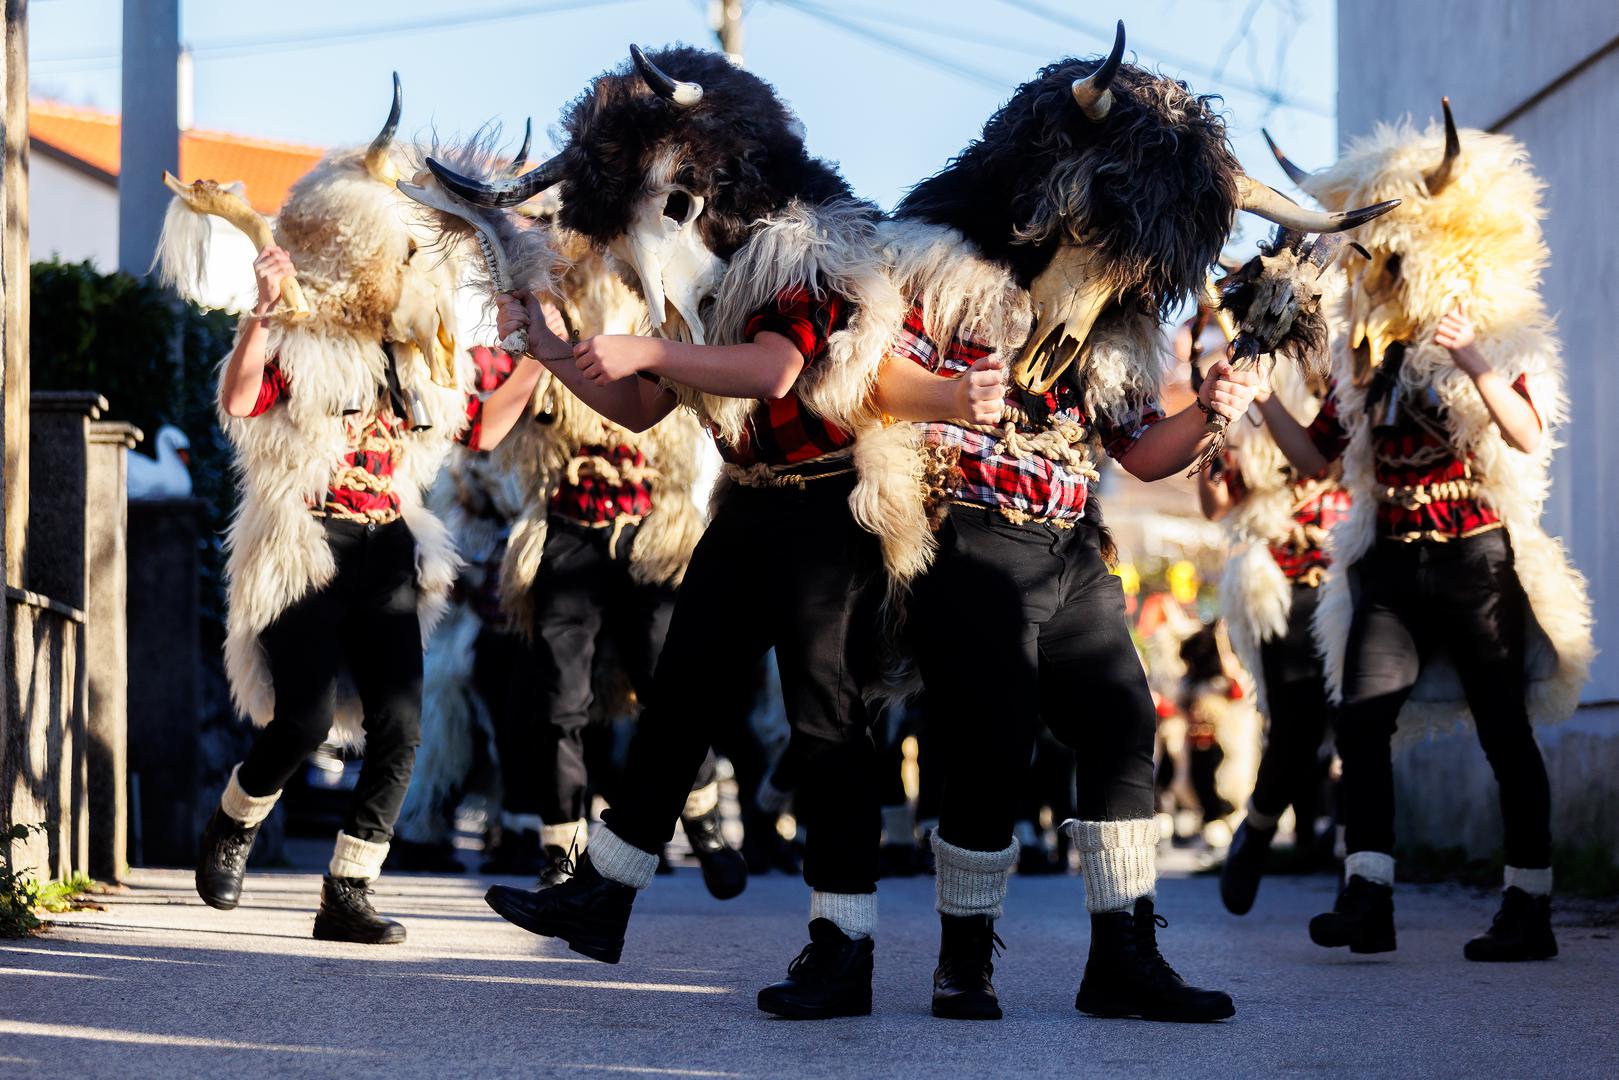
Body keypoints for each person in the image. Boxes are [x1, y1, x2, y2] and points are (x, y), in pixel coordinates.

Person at [425, 45, 1003, 1018]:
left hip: (827, 510)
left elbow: (775, 370)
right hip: (748, 502)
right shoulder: (699, 276)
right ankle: (602, 896)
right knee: (679, 700)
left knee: (826, 725)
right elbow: (643, 407)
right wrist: (555, 351)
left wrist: (646, 344)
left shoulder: (803, 244)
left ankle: (843, 950)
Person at [878, 21, 1393, 1022]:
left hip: (1071, 543)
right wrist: (947, 399)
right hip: (967, 535)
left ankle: (1121, 959)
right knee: (991, 742)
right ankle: (962, 964)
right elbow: (866, 384)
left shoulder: (1116, 326)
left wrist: (1215, 409)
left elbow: (1143, 454)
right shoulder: (936, 273)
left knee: (1120, 725)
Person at [160, 81, 548, 942]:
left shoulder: (428, 355)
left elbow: (483, 426)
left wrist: (539, 356)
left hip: (389, 547)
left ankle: (348, 891)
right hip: (303, 543)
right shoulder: (298, 330)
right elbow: (241, 399)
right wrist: (261, 315)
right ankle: (233, 822)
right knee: (299, 720)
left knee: (400, 727)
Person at [1260, 101, 1592, 959]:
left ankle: (1528, 910)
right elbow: (1317, 460)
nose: (1380, 274)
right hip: (1388, 565)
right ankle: (1366, 899)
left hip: (1474, 559)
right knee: (1360, 726)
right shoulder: (1366, 362)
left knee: (1503, 732)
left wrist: (1473, 360)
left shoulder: (1496, 334)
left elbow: (1526, 433)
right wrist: (1259, 402)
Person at [1198, 357, 1349, 914]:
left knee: (1359, 729)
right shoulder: (1258, 429)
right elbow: (1217, 505)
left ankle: (1357, 871)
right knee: (1294, 734)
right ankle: (1257, 832)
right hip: (1284, 590)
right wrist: (1213, 429)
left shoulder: (1347, 394)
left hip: (1351, 581)